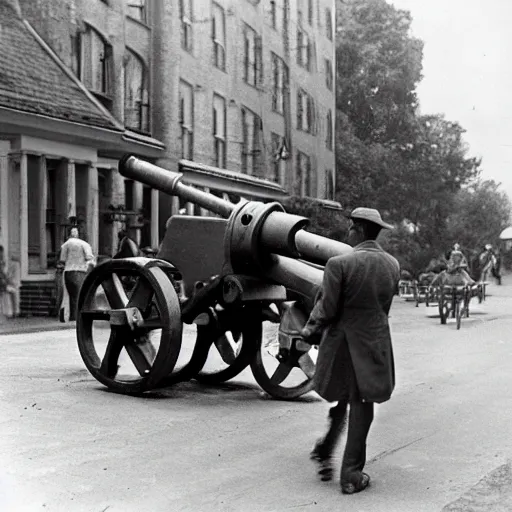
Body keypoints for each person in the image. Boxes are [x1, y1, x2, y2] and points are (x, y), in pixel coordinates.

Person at [300, 207, 400, 495]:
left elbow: (327, 309)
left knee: (347, 399)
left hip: (344, 344)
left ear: (356, 229)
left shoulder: (338, 264)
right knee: (360, 404)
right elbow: (384, 309)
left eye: (350, 228)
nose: (348, 232)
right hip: (375, 343)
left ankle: (348, 475)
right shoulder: (392, 265)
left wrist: (309, 332)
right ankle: (340, 462)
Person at [58, 227, 95, 321]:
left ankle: (71, 316)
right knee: (80, 295)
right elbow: (89, 258)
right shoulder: (84, 244)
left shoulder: (65, 245)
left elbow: (62, 259)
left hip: (68, 271)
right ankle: (79, 316)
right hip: (80, 271)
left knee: (70, 296)